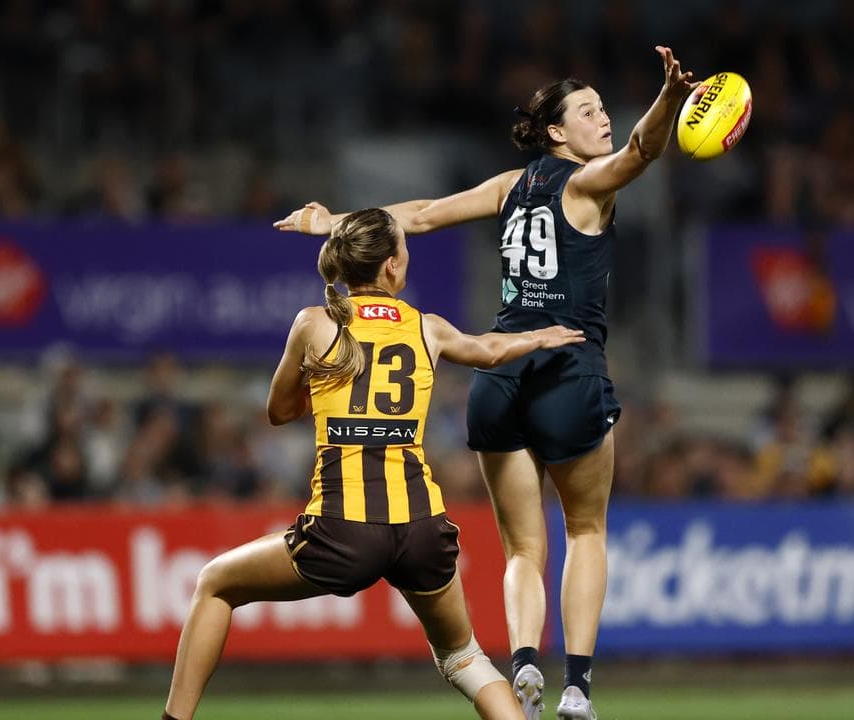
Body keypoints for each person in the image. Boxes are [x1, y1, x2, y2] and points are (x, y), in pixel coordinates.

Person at [275, 47, 698, 720]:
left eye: (603, 110)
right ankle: (577, 689)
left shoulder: (508, 187)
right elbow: (643, 152)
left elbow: (419, 212)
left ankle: (524, 660)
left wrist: (333, 223)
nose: (604, 120)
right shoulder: (588, 186)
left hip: (499, 375)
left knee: (522, 546)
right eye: (588, 112)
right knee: (585, 531)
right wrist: (671, 99)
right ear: (557, 133)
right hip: (568, 364)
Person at [163, 208, 586, 720]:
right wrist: (539, 337)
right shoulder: (426, 328)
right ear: (391, 267)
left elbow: (278, 411)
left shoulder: (314, 323)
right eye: (404, 249)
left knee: (214, 583)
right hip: (422, 529)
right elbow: (489, 350)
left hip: (343, 531)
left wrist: (323, 390)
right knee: (464, 657)